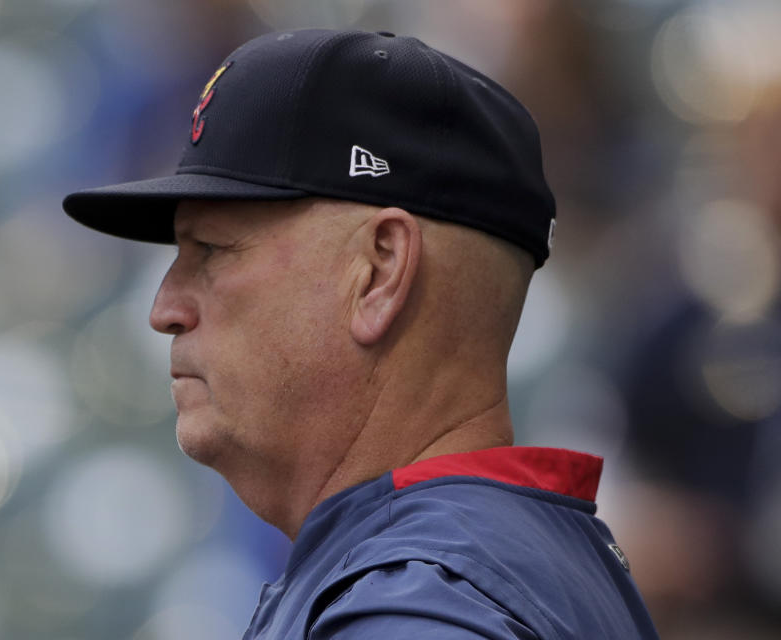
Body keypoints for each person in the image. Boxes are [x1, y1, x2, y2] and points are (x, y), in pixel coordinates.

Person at [63, 28, 659, 639]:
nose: (164, 307)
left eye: (213, 250)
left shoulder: (415, 610)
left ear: (378, 270)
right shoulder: (535, 562)